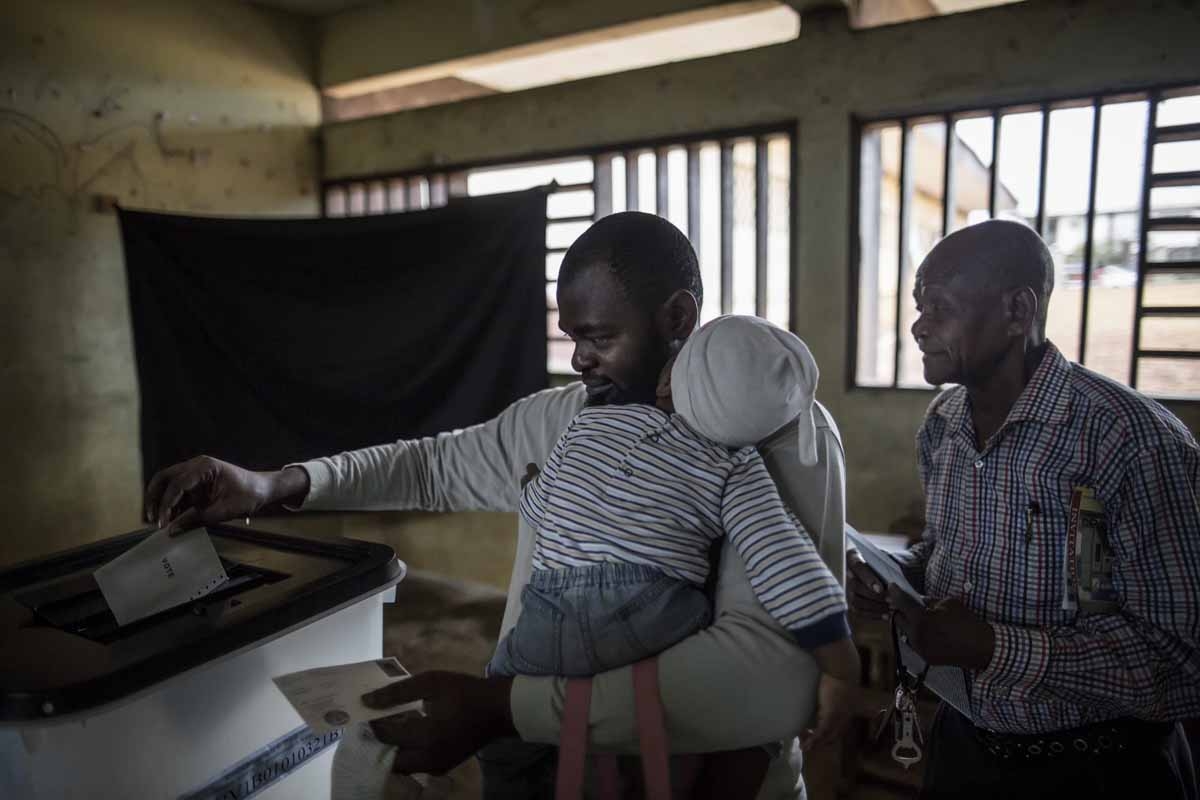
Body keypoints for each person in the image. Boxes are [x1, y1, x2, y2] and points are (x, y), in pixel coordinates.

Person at [144, 212, 853, 799]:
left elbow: (769, 678)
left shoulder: (774, 439)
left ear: (677, 316)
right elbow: (430, 467)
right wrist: (273, 485)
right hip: (553, 767)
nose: (580, 360)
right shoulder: (562, 418)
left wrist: (499, 709)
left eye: (601, 338)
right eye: (573, 338)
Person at [845, 219, 1200, 799]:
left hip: (1101, 770)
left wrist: (992, 647)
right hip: (965, 752)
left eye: (939, 306)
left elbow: (1183, 659)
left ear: (1017, 311)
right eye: (917, 305)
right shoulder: (944, 426)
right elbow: (944, 553)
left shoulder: (1129, 440)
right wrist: (899, 579)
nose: (917, 326)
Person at [485, 314, 860, 794]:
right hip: (649, 617)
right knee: (669, 721)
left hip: (549, 613)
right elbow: (789, 571)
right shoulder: (738, 465)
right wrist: (841, 666)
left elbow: (539, 505)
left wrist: (529, 485)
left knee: (502, 707)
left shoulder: (591, 424)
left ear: (667, 379)